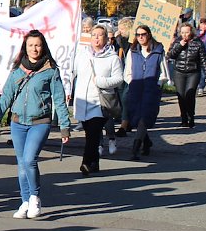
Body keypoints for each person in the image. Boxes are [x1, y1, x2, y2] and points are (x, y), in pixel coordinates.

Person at [0, 30, 71, 219]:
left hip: (40, 122)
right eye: (30, 45)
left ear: (43, 47)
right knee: (21, 165)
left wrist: (65, 127)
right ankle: (25, 201)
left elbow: (59, 99)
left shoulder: (50, 70)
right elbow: (7, 95)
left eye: (38, 45)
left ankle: (35, 197)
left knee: (29, 160)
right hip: (18, 122)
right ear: (25, 47)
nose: (34, 49)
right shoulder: (17, 69)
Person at [71, 25, 123, 175]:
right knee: (90, 134)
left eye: (100, 35)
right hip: (83, 101)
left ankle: (86, 162)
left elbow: (119, 79)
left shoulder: (112, 58)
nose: (96, 38)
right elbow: (73, 72)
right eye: (94, 35)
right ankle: (95, 163)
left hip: (100, 103)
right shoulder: (82, 54)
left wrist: (101, 81)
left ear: (106, 38)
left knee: (93, 133)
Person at [124, 25, 170, 159]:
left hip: (151, 90)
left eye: (143, 34)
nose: (140, 37)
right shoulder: (133, 51)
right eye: (138, 35)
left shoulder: (158, 51)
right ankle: (147, 141)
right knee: (136, 118)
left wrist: (158, 84)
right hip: (136, 89)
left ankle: (135, 148)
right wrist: (132, 82)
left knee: (144, 116)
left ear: (149, 34)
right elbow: (127, 72)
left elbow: (164, 73)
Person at [167, 23, 206, 128]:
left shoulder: (198, 43)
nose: (185, 34)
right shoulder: (177, 41)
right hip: (179, 72)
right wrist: (179, 45)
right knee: (181, 96)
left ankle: (191, 117)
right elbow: (171, 55)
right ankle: (183, 118)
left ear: (191, 32)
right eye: (182, 32)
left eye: (187, 32)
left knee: (190, 94)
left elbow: (203, 59)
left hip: (193, 72)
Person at [114, 18, 134, 137]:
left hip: (130, 74)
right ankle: (127, 121)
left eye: (121, 28)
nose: (119, 31)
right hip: (123, 72)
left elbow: (123, 45)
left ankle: (124, 125)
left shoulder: (130, 40)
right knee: (122, 98)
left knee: (126, 99)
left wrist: (117, 37)